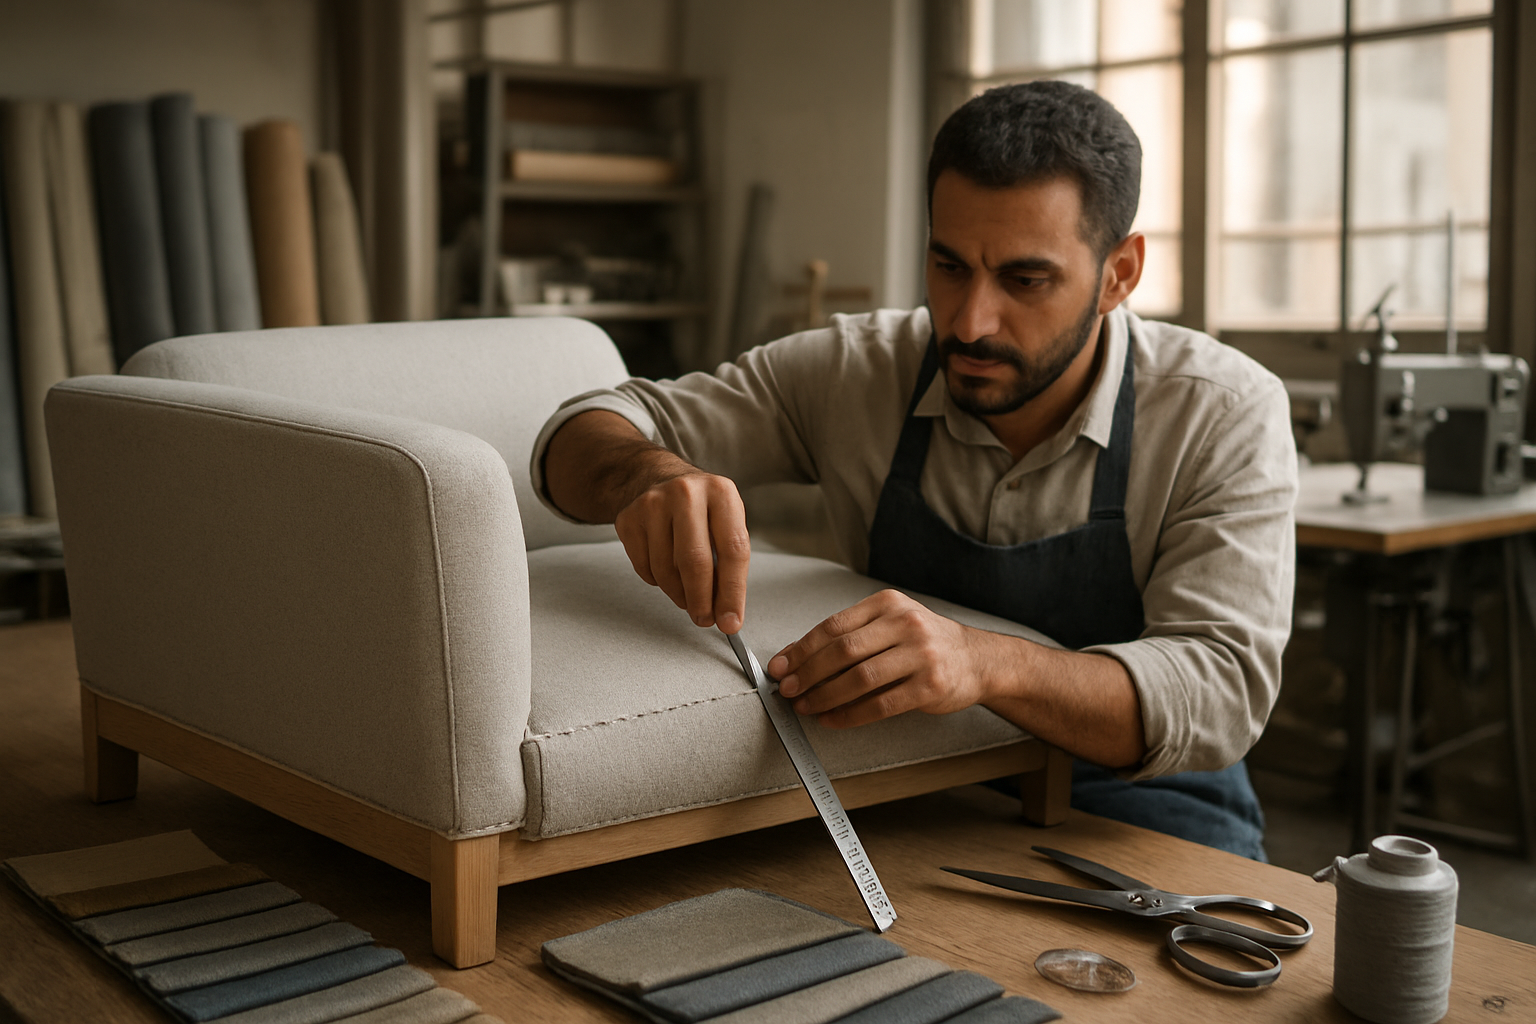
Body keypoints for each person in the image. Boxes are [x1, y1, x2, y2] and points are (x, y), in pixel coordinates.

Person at [532, 80, 1298, 860]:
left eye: (1025, 281)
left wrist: (983, 662)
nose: (969, 322)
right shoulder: (855, 369)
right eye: (949, 265)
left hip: (1144, 809)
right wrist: (643, 475)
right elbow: (578, 433)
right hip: (915, 786)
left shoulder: (1224, 410)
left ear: (1118, 273)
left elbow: (1221, 689)